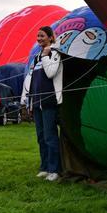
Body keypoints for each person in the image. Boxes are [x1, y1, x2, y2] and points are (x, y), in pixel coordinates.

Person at [20, 26, 63, 182]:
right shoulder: (36, 57)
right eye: (37, 36)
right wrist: (26, 100)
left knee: (50, 136)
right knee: (41, 137)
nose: (39, 39)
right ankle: (44, 167)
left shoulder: (55, 53)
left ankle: (55, 169)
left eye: (42, 36)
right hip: (37, 102)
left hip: (49, 101)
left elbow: (51, 73)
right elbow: (30, 80)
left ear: (51, 37)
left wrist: (46, 55)